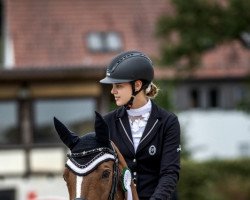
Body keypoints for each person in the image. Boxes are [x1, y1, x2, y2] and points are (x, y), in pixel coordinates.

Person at [100, 50, 181, 200]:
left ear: (137, 85)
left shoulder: (168, 122)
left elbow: (170, 173)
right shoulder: (107, 123)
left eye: (118, 86)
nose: (113, 91)